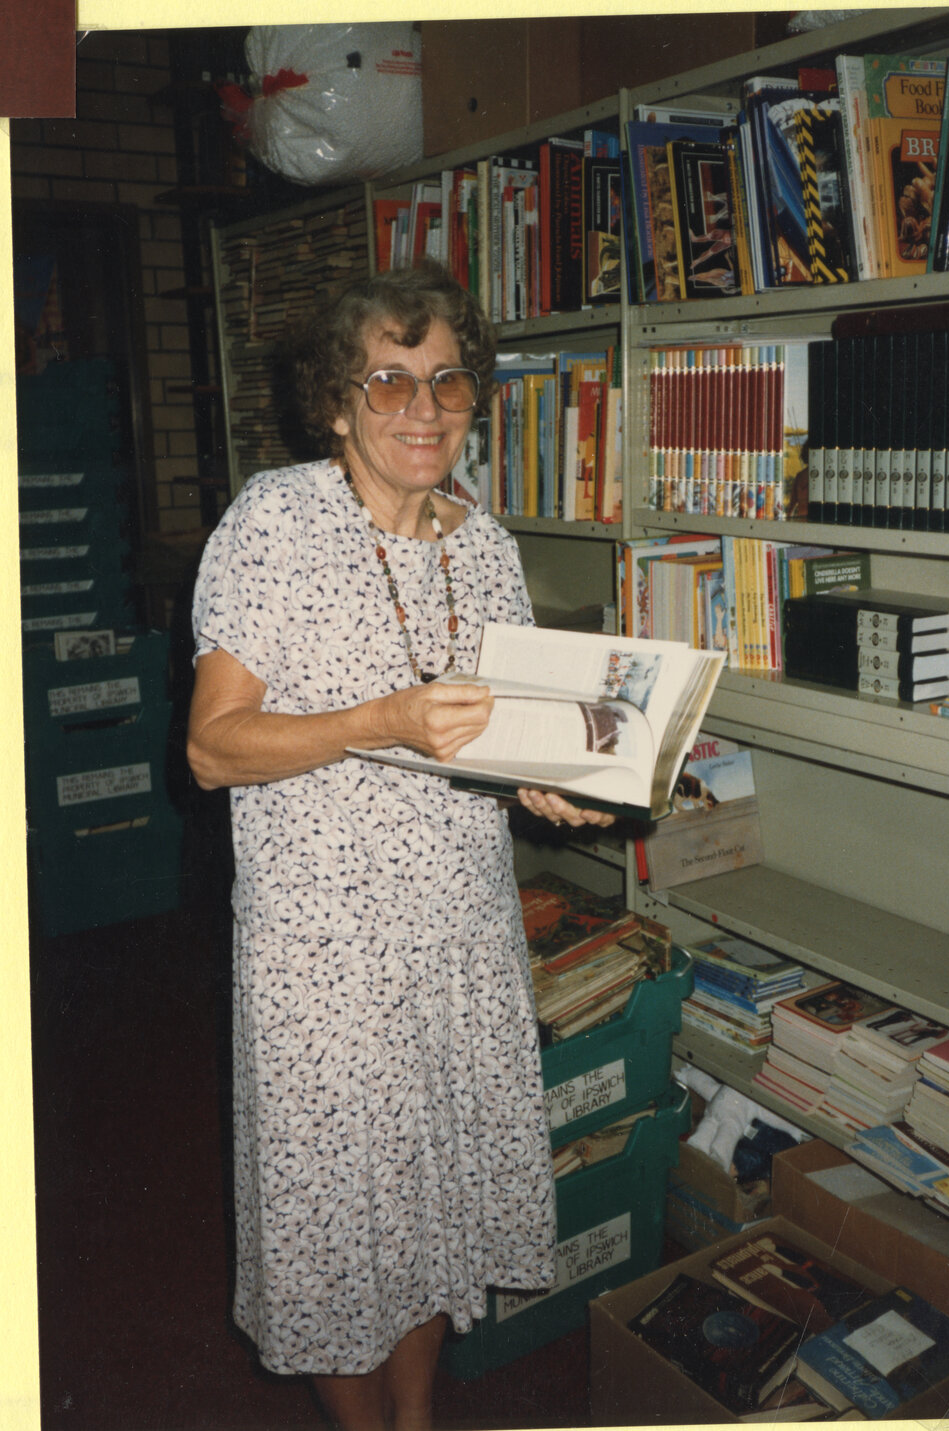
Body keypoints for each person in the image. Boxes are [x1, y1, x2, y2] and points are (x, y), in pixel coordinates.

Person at [186, 260, 613, 1431]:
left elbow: (493, 734)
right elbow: (214, 749)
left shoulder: (483, 543)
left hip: (461, 932)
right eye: (388, 381)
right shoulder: (273, 523)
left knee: (430, 1213)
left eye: (446, 383)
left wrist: (545, 782)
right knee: (337, 1233)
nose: (422, 409)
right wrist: (381, 720)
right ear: (336, 401)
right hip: (324, 952)